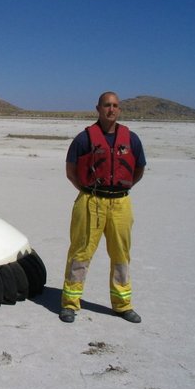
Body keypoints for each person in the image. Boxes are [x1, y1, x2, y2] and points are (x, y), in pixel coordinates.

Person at [59, 91, 146, 324]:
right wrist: (89, 190)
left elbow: (138, 169)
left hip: (120, 203)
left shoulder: (132, 139)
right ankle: (70, 303)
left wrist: (118, 190)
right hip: (90, 202)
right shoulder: (84, 139)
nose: (111, 109)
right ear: (98, 108)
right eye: (107, 105)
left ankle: (122, 305)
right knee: (80, 253)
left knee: (121, 255)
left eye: (115, 105)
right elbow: (71, 171)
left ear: (119, 109)